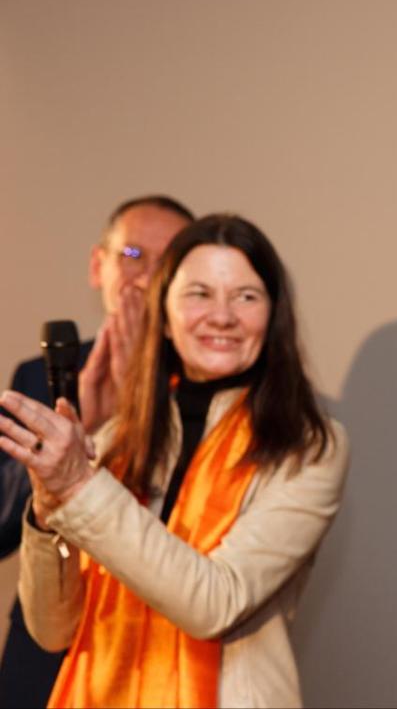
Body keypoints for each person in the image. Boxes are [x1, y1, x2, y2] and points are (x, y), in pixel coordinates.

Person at [0, 213, 349, 708]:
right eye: (199, 294)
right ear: (163, 316)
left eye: (245, 296)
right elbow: (54, 629)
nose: (222, 316)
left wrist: (78, 486)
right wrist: (48, 499)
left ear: (273, 317)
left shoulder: (309, 446)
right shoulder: (122, 432)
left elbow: (214, 603)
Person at [0, 194, 193, 709]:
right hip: (43, 651)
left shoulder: (203, 387)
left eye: (168, 263)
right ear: (97, 265)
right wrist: (79, 426)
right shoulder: (38, 376)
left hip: (155, 653)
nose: (146, 277)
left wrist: (138, 412)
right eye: (132, 257)